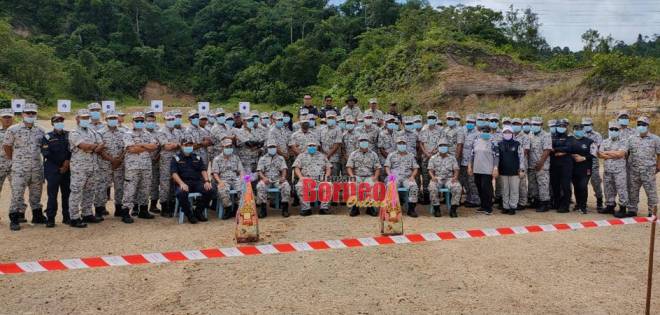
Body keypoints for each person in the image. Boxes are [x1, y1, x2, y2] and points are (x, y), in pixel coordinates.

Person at [4, 103, 46, 231]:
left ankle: (37, 215)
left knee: (36, 194)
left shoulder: (40, 131)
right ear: (22, 114)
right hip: (20, 169)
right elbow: (7, 146)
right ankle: (15, 218)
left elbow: (43, 148)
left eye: (33, 113)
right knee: (17, 194)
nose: (31, 115)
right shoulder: (13, 129)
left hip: (36, 168)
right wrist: (16, 160)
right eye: (28, 113)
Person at [68, 109, 103, 228]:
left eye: (87, 118)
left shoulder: (93, 131)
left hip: (92, 167)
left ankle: (87, 213)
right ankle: (74, 217)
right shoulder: (74, 132)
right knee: (76, 192)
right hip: (79, 168)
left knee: (90, 191)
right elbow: (83, 146)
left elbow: (102, 145)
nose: (85, 120)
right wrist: (94, 147)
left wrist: (91, 147)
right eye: (83, 118)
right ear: (77, 119)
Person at [121, 111, 159, 222]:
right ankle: (125, 212)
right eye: (137, 121)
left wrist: (141, 145)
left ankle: (143, 210)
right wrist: (147, 147)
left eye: (141, 121)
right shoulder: (128, 134)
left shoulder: (147, 134)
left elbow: (154, 146)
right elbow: (131, 149)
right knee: (130, 190)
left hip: (146, 166)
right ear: (132, 121)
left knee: (145, 189)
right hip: (132, 167)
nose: (139, 122)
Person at [171, 137, 215, 224]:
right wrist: (181, 184)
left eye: (190, 145)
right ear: (181, 146)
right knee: (181, 193)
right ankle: (189, 214)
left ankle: (198, 211)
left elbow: (203, 170)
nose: (188, 146)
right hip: (183, 182)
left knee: (210, 190)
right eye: (186, 145)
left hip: (197, 182)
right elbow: (174, 173)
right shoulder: (176, 158)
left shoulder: (197, 158)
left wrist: (207, 181)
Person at [41, 114, 71, 227]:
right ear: (52, 123)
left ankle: (67, 216)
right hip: (53, 169)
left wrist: (67, 163)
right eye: (57, 121)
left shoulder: (69, 135)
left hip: (67, 169)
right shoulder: (47, 136)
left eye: (61, 121)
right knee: (52, 195)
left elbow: (71, 150)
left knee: (67, 194)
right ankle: (51, 218)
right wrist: (61, 165)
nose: (59, 122)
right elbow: (46, 153)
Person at [626, 116, 659, 217]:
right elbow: (627, 153)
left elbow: (659, 153)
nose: (641, 126)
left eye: (643, 124)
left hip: (648, 170)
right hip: (634, 169)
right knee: (632, 190)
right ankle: (632, 209)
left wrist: (658, 166)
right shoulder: (631, 138)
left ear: (647, 126)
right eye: (639, 124)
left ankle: (652, 211)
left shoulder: (655, 139)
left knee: (651, 191)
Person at [598, 121, 629, 216]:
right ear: (609, 130)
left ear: (619, 130)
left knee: (621, 189)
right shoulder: (605, 141)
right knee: (608, 189)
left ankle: (623, 208)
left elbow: (621, 154)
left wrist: (607, 153)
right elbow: (599, 154)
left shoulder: (624, 141)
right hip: (608, 170)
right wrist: (614, 153)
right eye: (611, 129)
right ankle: (610, 206)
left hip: (619, 171)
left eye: (616, 129)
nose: (613, 131)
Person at [98, 110, 125, 218]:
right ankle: (100, 210)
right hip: (105, 164)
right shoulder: (100, 133)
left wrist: (119, 159)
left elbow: (125, 148)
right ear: (106, 120)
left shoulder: (123, 132)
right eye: (110, 118)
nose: (113, 120)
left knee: (119, 187)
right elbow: (99, 150)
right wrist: (111, 160)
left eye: (114, 118)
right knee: (102, 187)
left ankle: (119, 209)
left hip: (119, 165)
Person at [384, 137, 420, 217]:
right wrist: (390, 175)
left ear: (406, 144)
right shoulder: (391, 155)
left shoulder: (411, 155)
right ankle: (392, 209)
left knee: (414, 187)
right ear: (396, 145)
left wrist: (413, 176)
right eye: (400, 143)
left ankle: (411, 209)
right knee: (391, 186)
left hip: (407, 177)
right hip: (395, 177)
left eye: (403, 143)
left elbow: (415, 168)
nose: (402, 145)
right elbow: (387, 167)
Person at [346, 134, 381, 217]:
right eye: (362, 141)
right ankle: (354, 207)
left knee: (374, 185)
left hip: (369, 176)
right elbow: (349, 167)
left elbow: (377, 168)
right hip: (357, 176)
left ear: (368, 142)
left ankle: (371, 208)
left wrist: (375, 177)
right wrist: (352, 176)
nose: (363, 142)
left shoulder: (373, 154)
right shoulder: (353, 154)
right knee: (352, 184)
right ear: (359, 142)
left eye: (365, 141)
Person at [293, 141, 331, 216]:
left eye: (313, 145)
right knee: (300, 186)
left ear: (316, 147)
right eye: (310, 145)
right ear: (307, 147)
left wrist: (326, 176)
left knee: (329, 184)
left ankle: (324, 208)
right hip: (306, 179)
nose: (312, 147)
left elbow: (328, 168)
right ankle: (306, 209)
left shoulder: (322, 156)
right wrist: (300, 177)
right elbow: (296, 168)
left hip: (320, 179)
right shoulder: (301, 156)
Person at [467, 125, 498, 215]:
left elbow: (496, 156)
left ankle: (488, 207)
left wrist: (495, 168)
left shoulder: (493, 142)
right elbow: (472, 155)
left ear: (490, 132)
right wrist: (469, 166)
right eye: (483, 131)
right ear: (480, 132)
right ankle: (483, 205)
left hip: (487, 170)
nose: (485, 133)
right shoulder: (476, 142)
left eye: (487, 131)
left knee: (486, 188)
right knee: (479, 187)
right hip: (477, 169)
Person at [157, 111, 183, 217]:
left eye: (173, 119)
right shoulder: (161, 132)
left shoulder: (178, 132)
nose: (171, 121)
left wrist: (174, 145)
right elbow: (166, 147)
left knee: (175, 183)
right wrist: (177, 144)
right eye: (169, 119)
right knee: (165, 185)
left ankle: (172, 206)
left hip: (176, 161)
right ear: (165, 120)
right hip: (166, 161)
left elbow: (182, 145)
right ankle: (164, 207)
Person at [256, 141, 291, 218]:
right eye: (270, 147)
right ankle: (263, 209)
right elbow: (259, 171)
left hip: (277, 179)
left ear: (276, 148)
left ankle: (285, 209)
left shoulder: (281, 158)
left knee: (286, 185)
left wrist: (283, 177)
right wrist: (264, 178)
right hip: (266, 179)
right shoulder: (262, 159)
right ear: (267, 148)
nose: (272, 148)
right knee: (260, 186)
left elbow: (284, 169)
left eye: (273, 147)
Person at [428, 139, 462, 217]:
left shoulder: (452, 158)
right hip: (437, 178)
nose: (443, 147)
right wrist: (432, 177)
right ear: (438, 147)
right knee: (432, 187)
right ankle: (437, 209)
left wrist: (455, 177)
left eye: (445, 145)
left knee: (457, 187)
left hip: (449, 178)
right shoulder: (433, 158)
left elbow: (456, 169)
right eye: (441, 145)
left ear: (447, 147)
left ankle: (453, 209)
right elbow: (430, 170)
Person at [212, 138, 245, 219]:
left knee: (243, 188)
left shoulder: (236, 157)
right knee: (222, 189)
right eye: (227, 147)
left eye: (230, 146)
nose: (229, 148)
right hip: (223, 179)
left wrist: (242, 179)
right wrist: (219, 182)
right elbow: (215, 173)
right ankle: (228, 209)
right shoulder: (217, 159)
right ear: (222, 147)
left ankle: (238, 208)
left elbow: (241, 170)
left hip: (235, 178)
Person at [568, 123, 597, 214]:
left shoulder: (590, 141)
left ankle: (583, 206)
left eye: (581, 129)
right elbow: (565, 151)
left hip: (586, 168)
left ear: (584, 130)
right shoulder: (569, 140)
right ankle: (578, 204)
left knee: (583, 186)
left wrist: (583, 158)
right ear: (573, 130)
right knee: (576, 186)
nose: (579, 130)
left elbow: (594, 154)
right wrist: (572, 155)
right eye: (577, 129)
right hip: (573, 168)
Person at [496, 126, 525, 215]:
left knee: (514, 190)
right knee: (505, 190)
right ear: (502, 133)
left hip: (515, 171)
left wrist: (521, 170)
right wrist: (496, 169)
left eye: (509, 132)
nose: (507, 134)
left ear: (512, 134)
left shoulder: (517, 144)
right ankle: (505, 207)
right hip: (503, 170)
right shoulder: (499, 144)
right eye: (505, 132)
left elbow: (521, 157)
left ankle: (512, 207)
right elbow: (497, 158)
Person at [418, 111, 444, 205]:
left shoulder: (440, 130)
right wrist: (426, 153)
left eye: (433, 118)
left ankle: (436, 198)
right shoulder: (423, 129)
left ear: (436, 119)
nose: (431, 119)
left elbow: (442, 143)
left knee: (436, 177)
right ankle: (426, 197)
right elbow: (421, 143)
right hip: (425, 157)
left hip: (436, 157)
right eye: (429, 118)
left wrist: (434, 152)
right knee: (425, 178)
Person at [528, 117, 552, 212]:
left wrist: (541, 162)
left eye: (537, 125)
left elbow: (547, 150)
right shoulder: (530, 134)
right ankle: (536, 201)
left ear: (541, 125)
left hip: (542, 165)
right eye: (533, 124)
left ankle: (545, 203)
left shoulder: (546, 135)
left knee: (543, 184)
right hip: (531, 164)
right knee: (533, 185)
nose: (535, 126)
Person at [550, 118, 574, 213]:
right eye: (559, 126)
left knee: (565, 185)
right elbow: (550, 147)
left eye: (563, 126)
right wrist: (561, 150)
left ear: (566, 127)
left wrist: (556, 149)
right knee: (555, 185)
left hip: (566, 165)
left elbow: (569, 147)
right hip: (554, 164)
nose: (561, 128)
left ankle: (565, 205)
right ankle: (557, 203)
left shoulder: (570, 137)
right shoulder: (552, 136)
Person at [582, 117, 604, 211]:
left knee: (596, 182)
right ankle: (582, 203)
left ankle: (599, 201)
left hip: (593, 163)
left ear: (592, 125)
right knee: (582, 184)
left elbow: (597, 148)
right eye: (584, 125)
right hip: (582, 163)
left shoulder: (597, 135)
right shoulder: (580, 134)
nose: (586, 127)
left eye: (588, 125)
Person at [459, 114, 481, 207]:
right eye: (468, 122)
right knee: (464, 181)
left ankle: (476, 200)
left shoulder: (477, 133)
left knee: (472, 182)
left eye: (471, 122)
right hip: (462, 161)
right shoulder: (462, 130)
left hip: (472, 162)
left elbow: (476, 150)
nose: (469, 124)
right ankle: (469, 199)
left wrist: (471, 164)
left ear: (475, 123)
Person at [511, 118, 530, 209]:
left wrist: (519, 160)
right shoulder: (510, 135)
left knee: (522, 183)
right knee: (514, 183)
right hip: (512, 163)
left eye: (517, 124)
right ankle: (515, 201)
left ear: (521, 125)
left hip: (522, 163)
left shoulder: (525, 136)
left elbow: (526, 150)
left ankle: (523, 203)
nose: (515, 126)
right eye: (514, 124)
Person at [145, 111, 161, 214]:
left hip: (155, 162)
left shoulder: (158, 133)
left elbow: (162, 147)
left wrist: (157, 157)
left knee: (155, 184)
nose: (151, 122)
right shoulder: (139, 132)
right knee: (142, 185)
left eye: (153, 121)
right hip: (142, 162)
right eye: (149, 121)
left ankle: (153, 205)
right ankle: (138, 207)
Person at [319, 111, 343, 177]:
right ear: (326, 119)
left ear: (335, 119)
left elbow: (337, 144)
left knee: (334, 178)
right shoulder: (321, 129)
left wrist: (328, 155)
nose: (330, 120)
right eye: (329, 118)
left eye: (332, 118)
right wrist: (323, 155)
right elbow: (320, 143)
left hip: (334, 158)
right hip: (323, 158)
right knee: (323, 178)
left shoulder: (338, 129)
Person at [0, 109, 14, 204]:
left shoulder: (18, 131)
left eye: (9, 117)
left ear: (13, 119)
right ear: (0, 118)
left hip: (14, 164)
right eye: (5, 117)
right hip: (0, 164)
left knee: (17, 190)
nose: (7, 119)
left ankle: (17, 214)